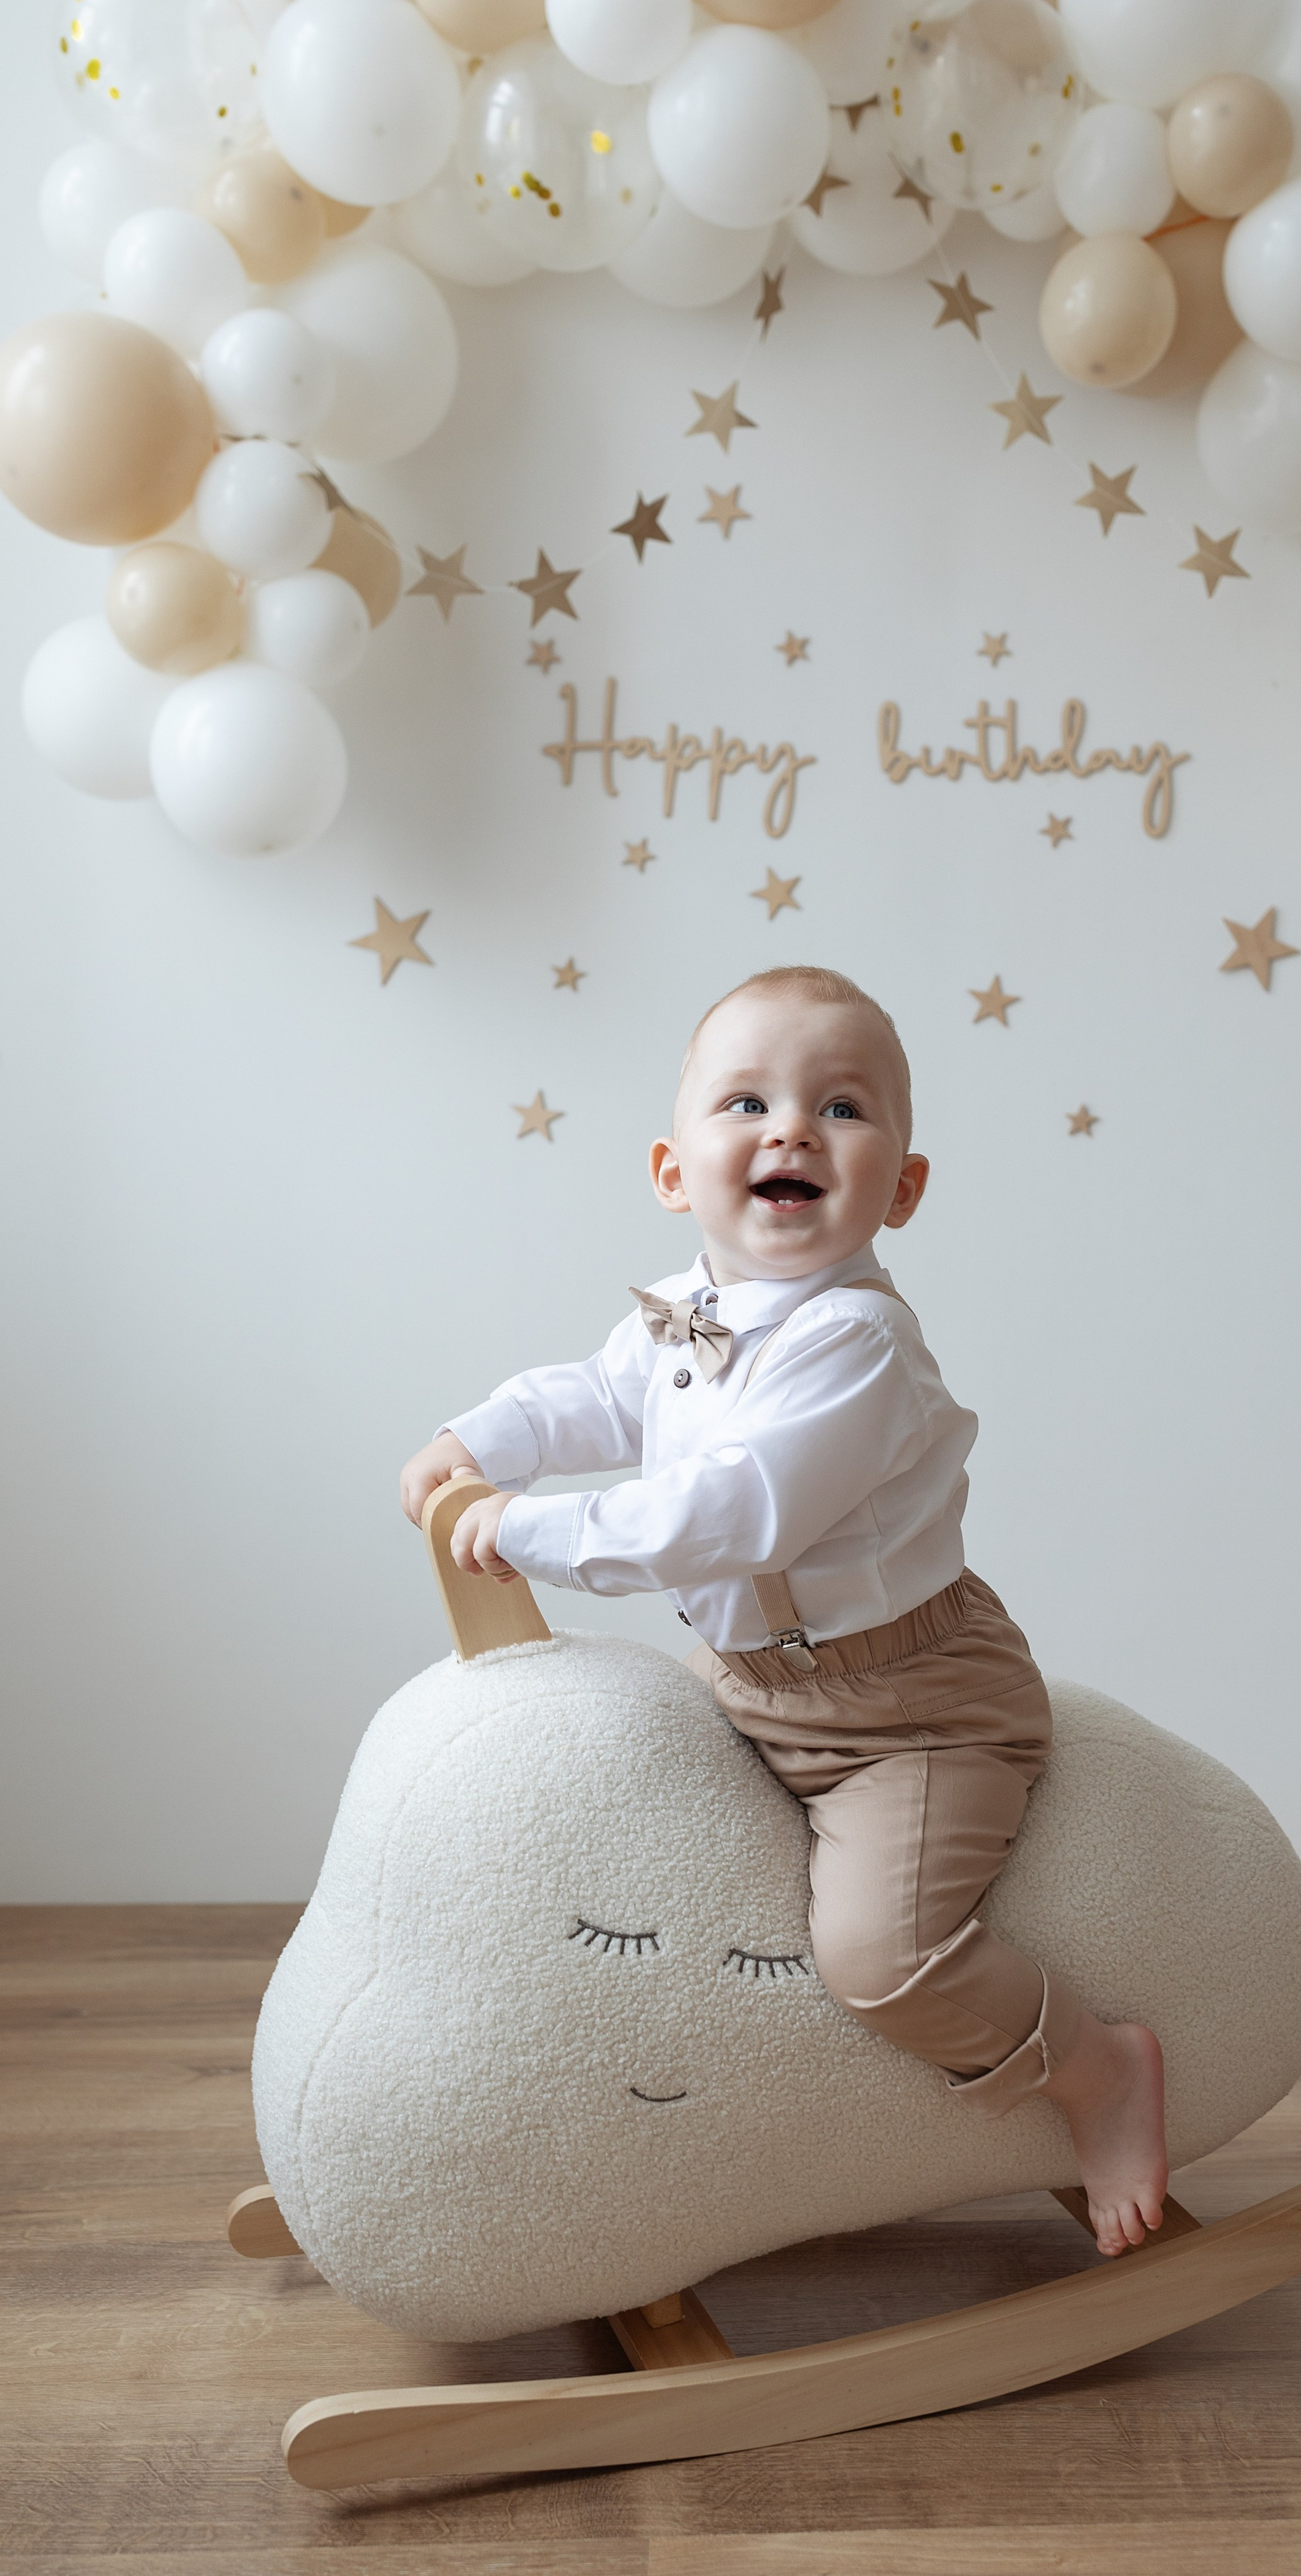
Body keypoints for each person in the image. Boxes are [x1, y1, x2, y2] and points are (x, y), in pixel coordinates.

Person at [399, 964, 1167, 2254]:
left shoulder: (857, 1345)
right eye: (746, 1100)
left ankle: (1098, 2068)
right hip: (754, 1676)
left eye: (843, 1108)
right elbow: (592, 1395)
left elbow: (730, 1510)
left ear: (903, 1188)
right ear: (672, 1168)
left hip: (913, 1710)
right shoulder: (681, 1316)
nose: (791, 1129)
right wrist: (478, 1438)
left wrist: (524, 1525)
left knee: (880, 1958)